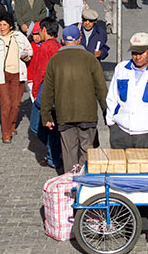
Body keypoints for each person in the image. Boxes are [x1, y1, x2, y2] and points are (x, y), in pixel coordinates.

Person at [106, 32, 148, 244]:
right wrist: (112, 121)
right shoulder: (121, 69)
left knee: (147, 182)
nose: (137, 57)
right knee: (121, 180)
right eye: (134, 53)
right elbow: (112, 96)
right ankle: (124, 220)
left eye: (141, 53)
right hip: (121, 131)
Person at [41, 25, 108, 172]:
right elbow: (101, 89)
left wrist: (46, 115)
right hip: (87, 114)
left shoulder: (55, 60)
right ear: (79, 39)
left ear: (63, 40)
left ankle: (71, 183)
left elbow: (47, 90)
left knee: (69, 152)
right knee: (88, 150)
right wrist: (106, 112)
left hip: (64, 114)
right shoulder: (90, 59)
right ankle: (85, 185)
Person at [0, 12, 31, 143]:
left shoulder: (19, 37)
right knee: (6, 104)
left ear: (10, 26)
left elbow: (29, 51)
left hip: (18, 74)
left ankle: (12, 125)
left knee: (16, 104)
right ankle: (6, 132)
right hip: (2, 75)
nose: (1, 27)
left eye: (4, 25)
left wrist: (25, 55)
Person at [28, 18, 63, 168]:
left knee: (37, 126)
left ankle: (53, 155)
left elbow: (40, 72)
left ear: (44, 30)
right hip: (57, 93)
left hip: (45, 92)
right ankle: (54, 153)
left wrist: (35, 93)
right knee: (52, 126)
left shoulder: (45, 48)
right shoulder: (58, 46)